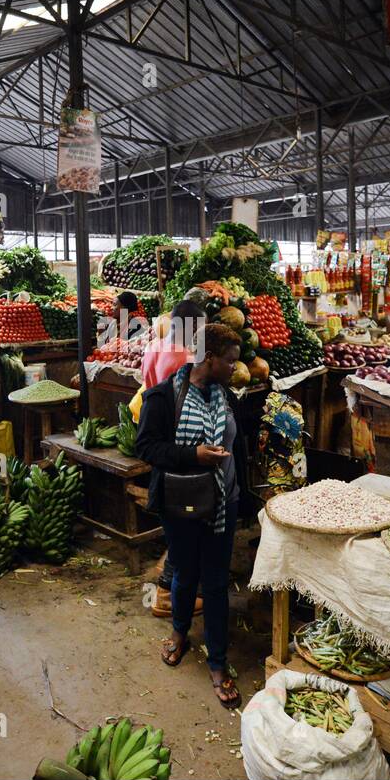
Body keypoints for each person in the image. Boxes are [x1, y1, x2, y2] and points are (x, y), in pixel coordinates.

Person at [135, 323, 253, 709]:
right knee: (185, 572)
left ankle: (218, 663)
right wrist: (194, 456)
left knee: (216, 583)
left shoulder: (228, 397)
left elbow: (239, 449)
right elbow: (147, 448)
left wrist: (245, 495)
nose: (236, 368)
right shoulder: (164, 397)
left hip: (224, 502)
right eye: (231, 361)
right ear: (210, 358)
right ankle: (180, 633)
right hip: (180, 504)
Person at [136, 300, 207, 619]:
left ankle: (170, 577)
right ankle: (166, 593)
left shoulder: (153, 348)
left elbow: (146, 387)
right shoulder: (187, 359)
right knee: (189, 518)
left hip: (157, 439)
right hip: (179, 446)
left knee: (177, 516)